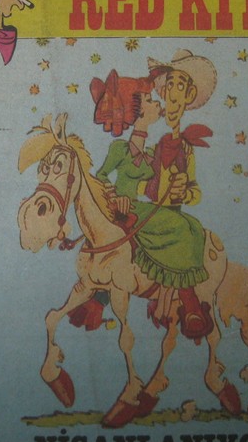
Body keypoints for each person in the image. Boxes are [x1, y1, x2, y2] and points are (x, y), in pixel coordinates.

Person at [88, 50, 217, 340]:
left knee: (189, 225)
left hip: (144, 208)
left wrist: (182, 189)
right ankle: (189, 303)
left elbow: (160, 189)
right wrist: (113, 197)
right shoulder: (121, 149)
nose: (158, 99)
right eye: (150, 99)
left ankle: (186, 301)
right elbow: (101, 177)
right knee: (182, 226)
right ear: (138, 110)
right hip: (124, 209)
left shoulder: (153, 152)